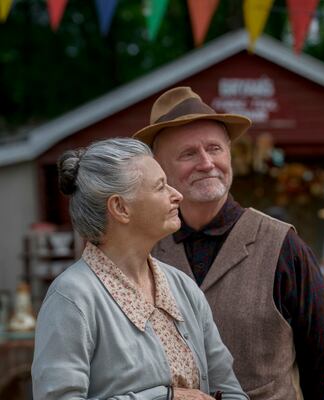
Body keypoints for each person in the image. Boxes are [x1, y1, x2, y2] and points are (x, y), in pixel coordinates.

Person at [132, 87, 324, 400]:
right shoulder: (143, 251)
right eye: (188, 154)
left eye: (214, 148)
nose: (206, 163)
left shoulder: (283, 246)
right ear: (159, 168)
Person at [32, 138, 247, 400]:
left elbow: (230, 390)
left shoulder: (182, 287)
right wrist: (164, 397)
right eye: (160, 187)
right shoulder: (72, 297)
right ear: (120, 208)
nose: (176, 194)